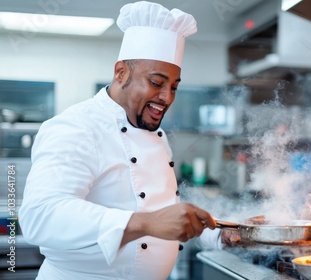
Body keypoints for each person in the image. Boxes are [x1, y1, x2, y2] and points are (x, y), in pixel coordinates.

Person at [19, 2, 223, 279]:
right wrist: (146, 223)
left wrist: (218, 233)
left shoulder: (151, 132)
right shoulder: (77, 126)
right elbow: (40, 215)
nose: (167, 97)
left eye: (174, 86)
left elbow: (161, 212)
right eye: (156, 82)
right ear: (121, 73)